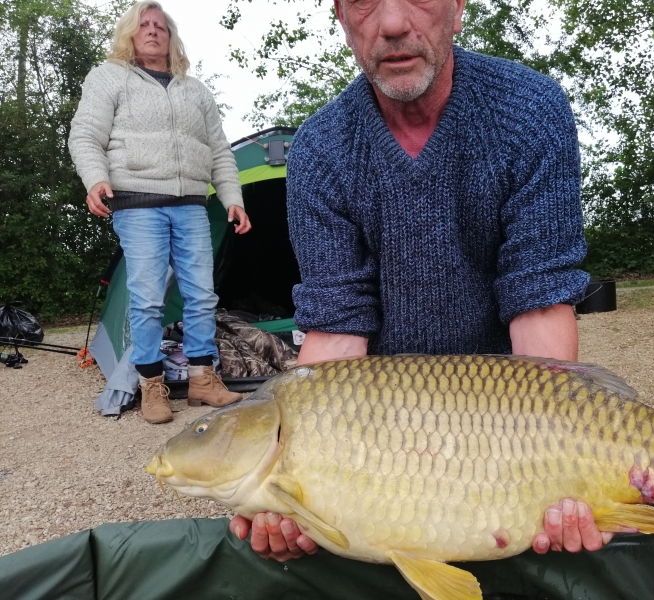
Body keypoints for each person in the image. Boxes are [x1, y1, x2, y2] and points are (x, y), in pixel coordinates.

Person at [230, 0, 613, 562]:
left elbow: (538, 299)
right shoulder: (319, 149)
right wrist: (289, 480)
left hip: (508, 409)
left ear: (458, 8)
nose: (391, 24)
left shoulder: (531, 110)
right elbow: (337, 326)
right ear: (341, 16)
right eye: (364, 1)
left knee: (563, 513)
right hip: (381, 423)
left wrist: (555, 458)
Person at [69, 1, 249, 424]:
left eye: (161, 26)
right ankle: (151, 385)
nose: (153, 31)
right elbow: (85, 134)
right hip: (137, 203)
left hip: (190, 205)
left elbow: (219, 152)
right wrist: (95, 179)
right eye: (144, 25)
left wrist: (232, 198)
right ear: (131, 34)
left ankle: (204, 380)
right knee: (149, 300)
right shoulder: (109, 77)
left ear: (171, 37)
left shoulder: (196, 90)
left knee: (202, 295)